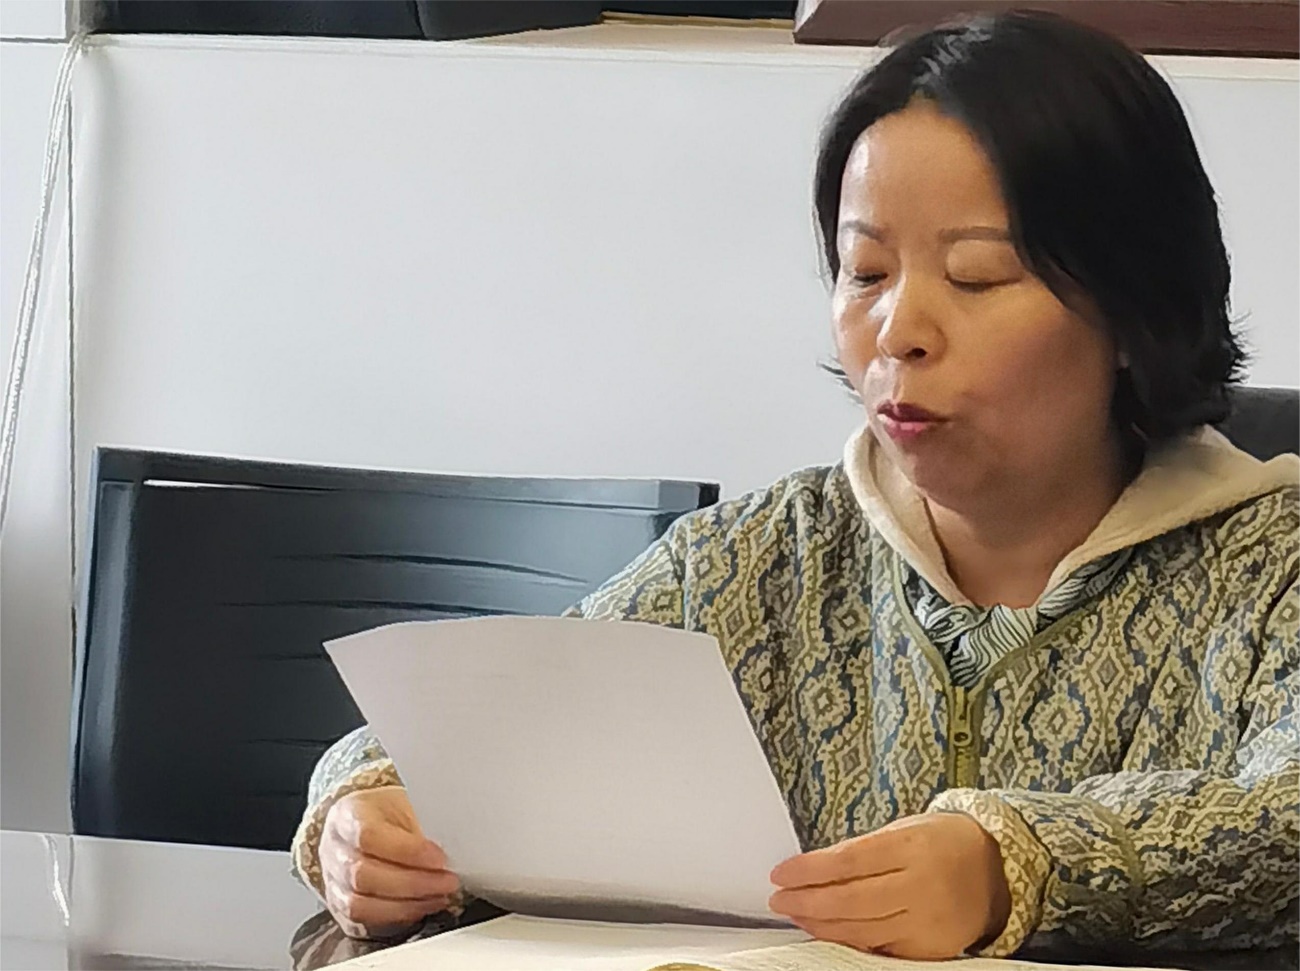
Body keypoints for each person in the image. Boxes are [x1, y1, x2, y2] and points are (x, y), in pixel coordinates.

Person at [289, 9, 1299, 961]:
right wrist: (366, 814)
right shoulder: (761, 558)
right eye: (866, 272)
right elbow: (469, 738)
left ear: (1132, 309)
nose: (899, 331)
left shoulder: (1269, 565)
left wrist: (1015, 866)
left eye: (976, 277)